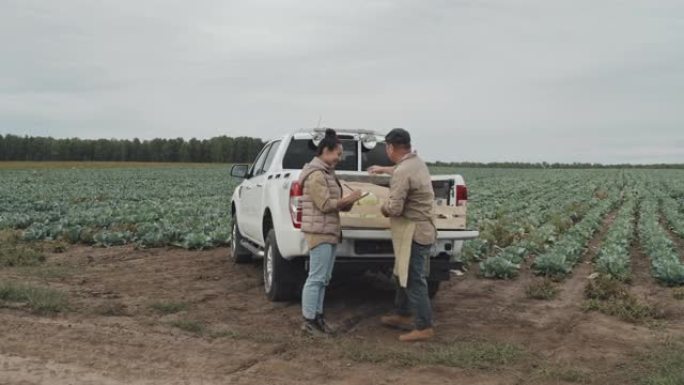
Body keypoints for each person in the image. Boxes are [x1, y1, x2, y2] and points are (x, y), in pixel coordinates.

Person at [368, 128, 437, 342]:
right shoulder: (416, 163)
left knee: (414, 278)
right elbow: (400, 170)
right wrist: (382, 169)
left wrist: (382, 208)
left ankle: (424, 327)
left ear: (390, 147)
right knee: (401, 274)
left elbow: (395, 209)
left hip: (413, 232)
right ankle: (402, 313)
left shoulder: (403, 172)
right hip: (423, 228)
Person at [298, 129, 363, 336]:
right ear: (326, 151)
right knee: (316, 278)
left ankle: (317, 318)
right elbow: (325, 204)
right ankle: (308, 321)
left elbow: (331, 205)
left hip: (328, 230)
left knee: (324, 278)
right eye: (337, 154)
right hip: (319, 231)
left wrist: (348, 204)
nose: (339, 158)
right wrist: (348, 200)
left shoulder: (326, 173)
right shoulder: (316, 175)